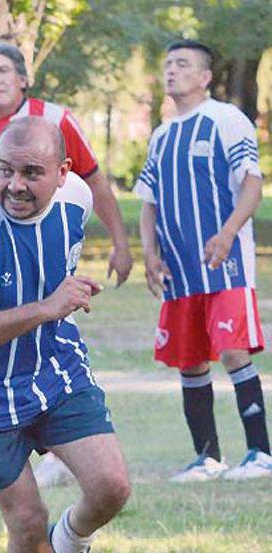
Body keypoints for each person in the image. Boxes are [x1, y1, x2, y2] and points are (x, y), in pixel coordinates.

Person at [0, 43, 133, 486]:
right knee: (28, 522)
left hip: (47, 359)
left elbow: (94, 182)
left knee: (112, 487)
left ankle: (71, 535)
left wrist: (120, 242)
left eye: (32, 172)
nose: (16, 184)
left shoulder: (62, 141)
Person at [136, 39, 270, 482]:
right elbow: (149, 202)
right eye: (168, 63)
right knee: (190, 360)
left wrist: (229, 232)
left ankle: (260, 454)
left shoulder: (226, 120)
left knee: (232, 351)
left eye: (183, 64)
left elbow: (252, 181)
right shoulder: (162, 134)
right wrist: (150, 254)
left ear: (205, 76)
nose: (172, 71)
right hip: (179, 271)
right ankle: (208, 458)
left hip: (223, 264)